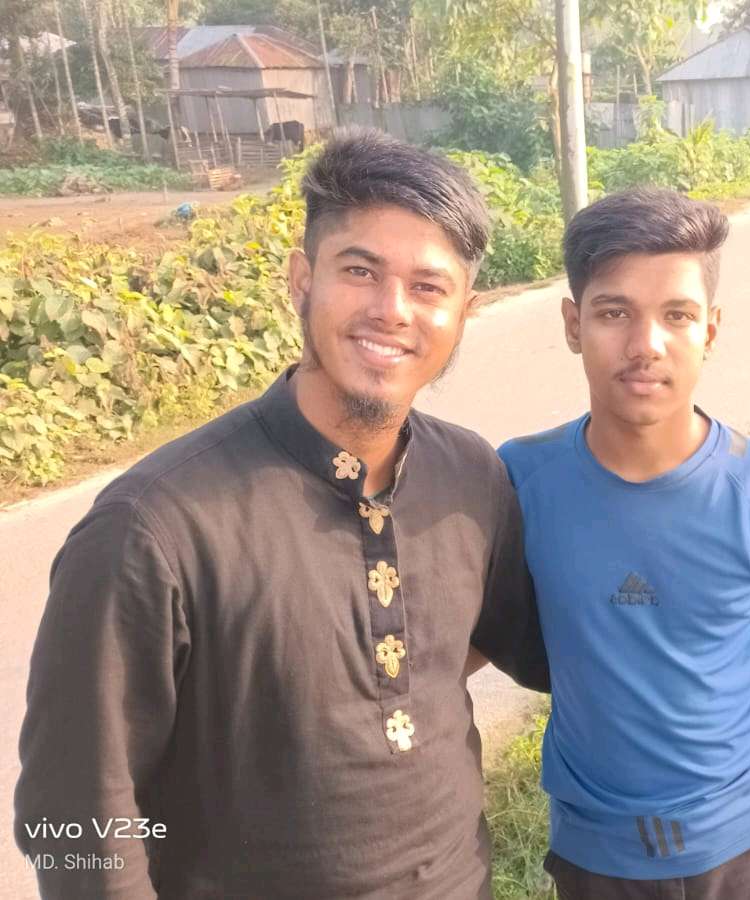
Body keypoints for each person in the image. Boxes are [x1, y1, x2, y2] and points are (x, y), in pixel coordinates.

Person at [14, 128, 548, 898]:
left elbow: (511, 642)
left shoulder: (471, 476)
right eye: (360, 271)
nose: (392, 310)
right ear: (302, 280)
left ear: (465, 309)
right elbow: (73, 814)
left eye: (429, 287)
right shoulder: (152, 527)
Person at [499, 188, 750, 898]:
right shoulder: (518, 480)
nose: (646, 346)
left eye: (677, 315)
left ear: (711, 330)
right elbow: (460, 637)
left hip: (749, 843)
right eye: (614, 313)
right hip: (595, 852)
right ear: (573, 324)